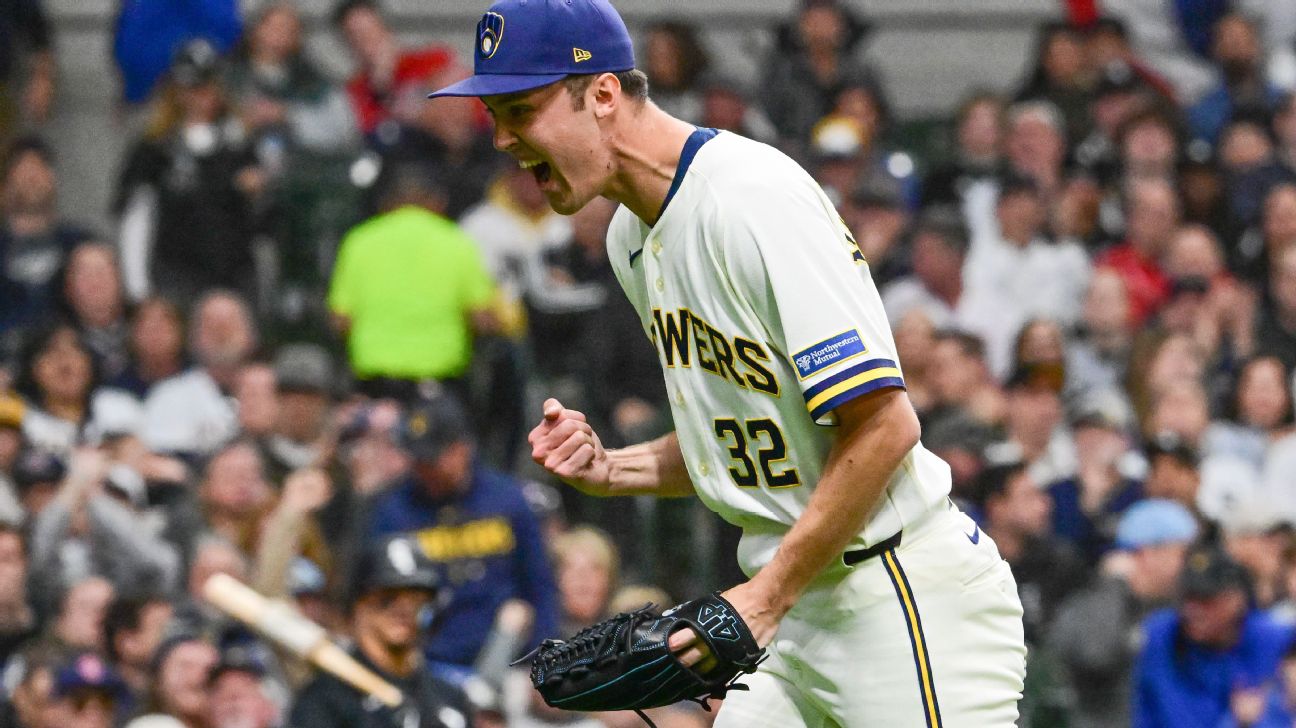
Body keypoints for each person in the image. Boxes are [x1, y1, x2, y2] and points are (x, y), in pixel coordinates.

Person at [432, 1, 1028, 724]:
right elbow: (744, 437)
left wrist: (766, 597)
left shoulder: (751, 199)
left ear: (603, 94)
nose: (501, 139)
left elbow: (884, 426)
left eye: (519, 110)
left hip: (898, 595)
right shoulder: (630, 237)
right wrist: (614, 467)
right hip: (793, 599)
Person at [365, 394, 559, 667]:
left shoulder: (507, 501)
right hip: (425, 661)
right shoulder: (393, 511)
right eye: (417, 460)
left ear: (461, 449)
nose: (424, 470)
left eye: (432, 460)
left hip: (507, 658)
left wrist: (548, 658)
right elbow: (375, 597)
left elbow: (539, 584)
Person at [328, 164, 497, 401]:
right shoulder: (458, 242)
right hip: (440, 381)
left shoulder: (359, 241)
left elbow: (340, 319)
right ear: (437, 203)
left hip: (375, 381)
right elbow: (481, 318)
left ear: (386, 203)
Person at [290, 535, 473, 728]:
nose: (403, 609)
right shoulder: (325, 701)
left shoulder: (449, 698)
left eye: (416, 598)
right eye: (387, 598)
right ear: (357, 605)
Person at [1048, 499, 1198, 728]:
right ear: (1147, 553)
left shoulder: (1173, 609)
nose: (1187, 567)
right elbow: (1095, 654)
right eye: (1181, 554)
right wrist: (1114, 586)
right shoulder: (1087, 605)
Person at [1133, 547, 1296, 728]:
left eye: (1206, 599)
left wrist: (1255, 721)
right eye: (1187, 598)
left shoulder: (1275, 639)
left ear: (1236, 600)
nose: (1193, 610)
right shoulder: (1161, 636)